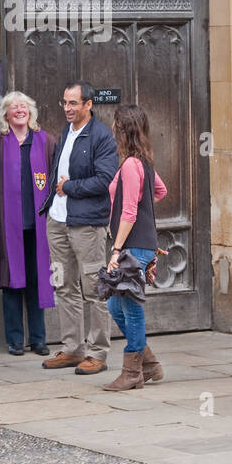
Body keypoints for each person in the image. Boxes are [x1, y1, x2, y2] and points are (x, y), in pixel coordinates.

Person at [39, 81, 119, 374]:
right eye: (64, 103)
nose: (67, 109)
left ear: (89, 104)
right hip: (57, 221)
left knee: (95, 289)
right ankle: (73, 348)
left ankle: (97, 353)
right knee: (63, 285)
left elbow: (105, 179)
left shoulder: (101, 136)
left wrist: (69, 187)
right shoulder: (65, 133)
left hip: (86, 224)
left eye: (73, 103)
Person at [0, 91, 55, 355]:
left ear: (30, 112)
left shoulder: (44, 141)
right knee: (11, 283)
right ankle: (14, 340)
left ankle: (39, 339)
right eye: (13, 107)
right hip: (7, 226)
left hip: (38, 226)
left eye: (23, 106)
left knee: (36, 280)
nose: (19, 110)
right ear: (6, 114)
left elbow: (56, 182)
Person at [103, 104, 167, 390]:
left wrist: (116, 250)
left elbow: (128, 212)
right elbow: (160, 191)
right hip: (140, 244)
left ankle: (132, 373)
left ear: (123, 129)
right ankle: (149, 363)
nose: (112, 128)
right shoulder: (143, 161)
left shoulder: (131, 165)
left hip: (132, 246)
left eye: (116, 124)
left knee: (129, 307)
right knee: (116, 303)